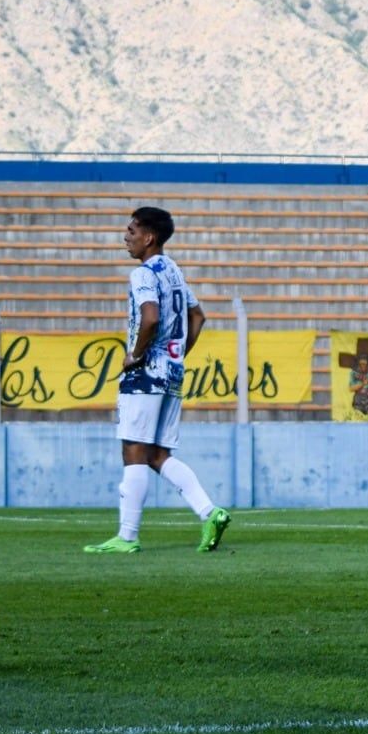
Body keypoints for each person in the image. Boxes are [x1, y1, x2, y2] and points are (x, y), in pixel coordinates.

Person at [85, 206, 231, 554]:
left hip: (146, 372)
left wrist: (134, 355)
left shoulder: (144, 274)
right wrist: (177, 354)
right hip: (172, 373)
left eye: (132, 230)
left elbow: (149, 318)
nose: (126, 237)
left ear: (149, 237)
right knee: (157, 453)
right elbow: (198, 316)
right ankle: (211, 512)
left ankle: (127, 537)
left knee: (133, 449)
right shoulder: (174, 271)